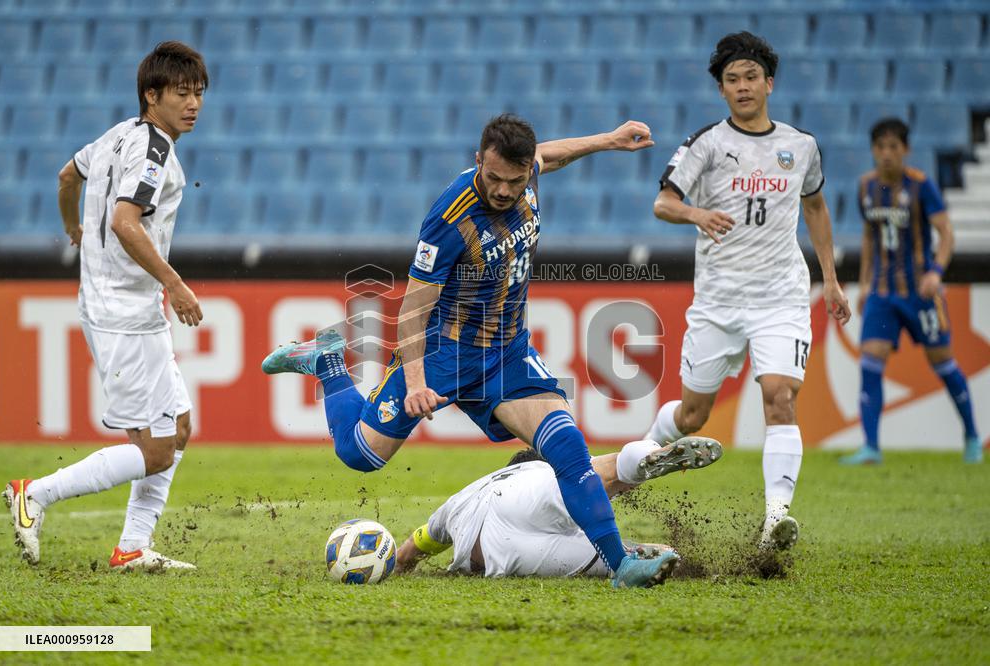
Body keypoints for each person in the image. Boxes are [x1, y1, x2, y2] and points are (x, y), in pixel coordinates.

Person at [263, 113, 685, 588]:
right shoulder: (450, 218)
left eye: (515, 180)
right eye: (494, 178)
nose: (504, 190)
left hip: (507, 353)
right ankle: (328, 362)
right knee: (361, 455)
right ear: (478, 160)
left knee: (567, 446)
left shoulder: (526, 174)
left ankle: (620, 565)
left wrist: (609, 139)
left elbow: (550, 154)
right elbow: (412, 310)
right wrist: (417, 384)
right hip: (445, 354)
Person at [2, 41, 208, 571]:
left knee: (179, 427)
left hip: (116, 306)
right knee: (155, 449)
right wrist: (175, 283)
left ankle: (133, 547)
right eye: (181, 93)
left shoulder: (116, 135)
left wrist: (70, 225)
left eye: (199, 93)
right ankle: (34, 493)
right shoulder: (153, 151)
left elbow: (66, 177)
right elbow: (124, 221)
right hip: (125, 315)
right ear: (152, 95)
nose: (193, 104)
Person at [646, 32, 851, 550]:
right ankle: (645, 450)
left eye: (751, 77)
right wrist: (697, 213)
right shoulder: (707, 144)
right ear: (721, 89)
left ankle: (775, 520)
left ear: (769, 83)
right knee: (693, 415)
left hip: (780, 297)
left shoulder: (801, 147)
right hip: (718, 301)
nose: (742, 86)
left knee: (780, 396)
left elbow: (815, 208)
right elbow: (663, 203)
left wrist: (829, 278)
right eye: (732, 79)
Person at [841, 119, 982, 465]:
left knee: (943, 362)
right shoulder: (865, 186)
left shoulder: (921, 185)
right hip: (882, 293)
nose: (886, 154)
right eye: (880, 147)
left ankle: (972, 436)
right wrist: (864, 283)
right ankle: (871, 447)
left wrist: (936, 272)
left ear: (905, 149)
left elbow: (946, 233)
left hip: (920, 293)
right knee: (870, 359)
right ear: (873, 150)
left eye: (893, 147)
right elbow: (870, 237)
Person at [394, 437, 723, 581]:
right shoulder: (538, 470)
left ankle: (642, 553)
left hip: (494, 555)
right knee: (586, 474)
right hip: (525, 501)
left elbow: (414, 546)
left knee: (613, 556)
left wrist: (396, 566)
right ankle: (642, 455)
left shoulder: (463, 496)